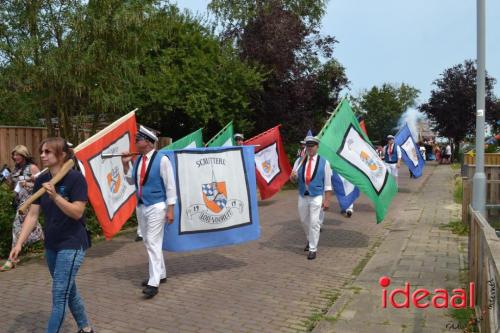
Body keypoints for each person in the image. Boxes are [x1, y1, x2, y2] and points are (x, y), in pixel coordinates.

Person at [9, 137, 94, 333]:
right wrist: (19, 244)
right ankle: (86, 328)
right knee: (68, 291)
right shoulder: (41, 179)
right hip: (52, 245)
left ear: (62, 155)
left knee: (59, 295)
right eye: (42, 151)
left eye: (47, 152)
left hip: (72, 244)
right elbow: (32, 214)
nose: (42, 155)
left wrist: (55, 196)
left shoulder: (76, 179)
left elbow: (77, 212)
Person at [122, 125, 176, 299]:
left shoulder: (162, 159)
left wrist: (171, 210)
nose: (136, 142)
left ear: (147, 142)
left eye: (138, 139)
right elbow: (131, 180)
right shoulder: (138, 160)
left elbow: (170, 186)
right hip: (142, 205)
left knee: (152, 242)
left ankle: (154, 283)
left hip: (157, 206)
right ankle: (160, 273)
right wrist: (125, 164)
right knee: (149, 241)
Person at [1, 145, 44, 271]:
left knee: (16, 229)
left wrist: (27, 184)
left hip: (30, 202)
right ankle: (42, 237)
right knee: (30, 227)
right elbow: (13, 187)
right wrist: (6, 179)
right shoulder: (15, 169)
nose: (15, 157)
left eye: (18, 155)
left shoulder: (32, 168)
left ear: (24, 155)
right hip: (19, 202)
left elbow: (41, 186)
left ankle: (11, 260)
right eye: (14, 155)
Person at [290, 136, 332, 260]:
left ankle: (313, 248)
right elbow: (293, 180)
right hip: (303, 195)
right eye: (308, 146)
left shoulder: (325, 162)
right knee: (304, 220)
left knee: (314, 222)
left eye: (312, 146)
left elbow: (328, 184)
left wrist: (327, 200)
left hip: (317, 196)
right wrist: (292, 177)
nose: (310, 148)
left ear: (317, 147)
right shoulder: (299, 161)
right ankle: (310, 239)